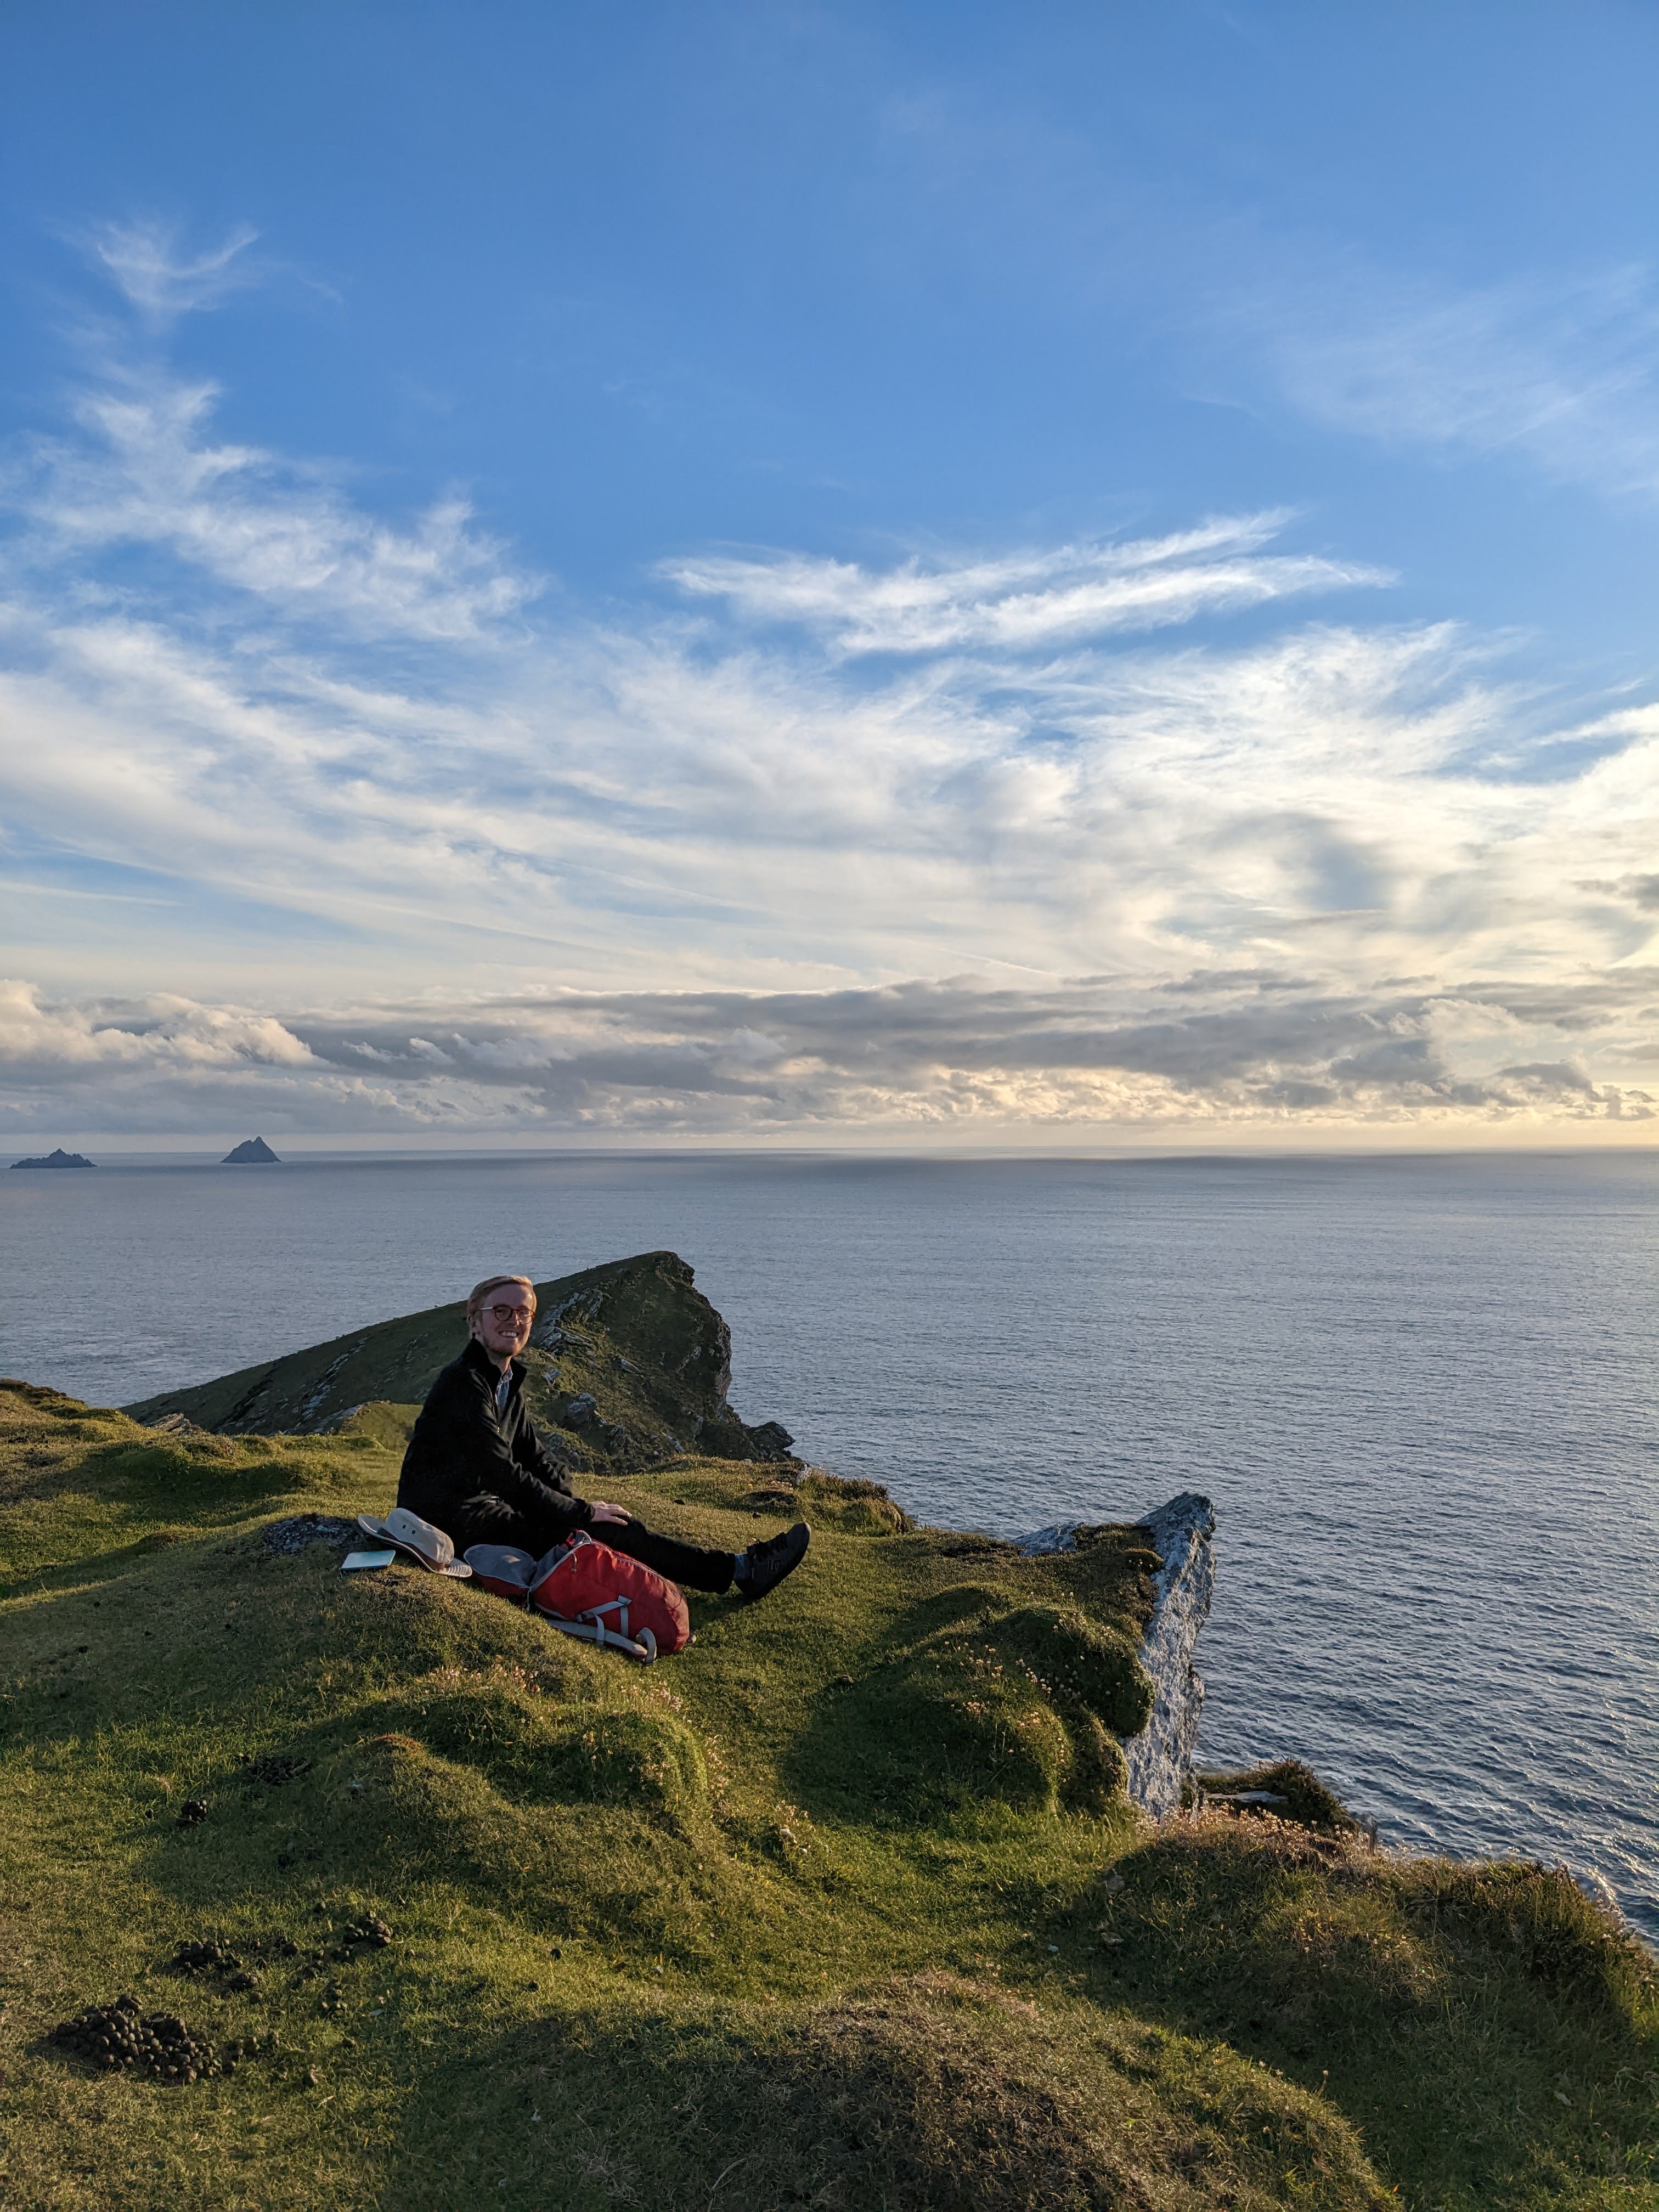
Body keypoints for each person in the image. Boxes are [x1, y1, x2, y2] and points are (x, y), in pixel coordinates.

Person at [396, 1273, 810, 1602]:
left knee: (607, 1523)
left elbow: (534, 1458)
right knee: (603, 1531)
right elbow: (503, 1472)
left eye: (523, 1313)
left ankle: (723, 1569)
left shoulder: (503, 1380)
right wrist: (579, 1515)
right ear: (475, 1321)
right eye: (500, 1311)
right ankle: (741, 1570)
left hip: (482, 1506)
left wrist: (579, 1506)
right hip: (448, 1520)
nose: (514, 1321)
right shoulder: (463, 1385)